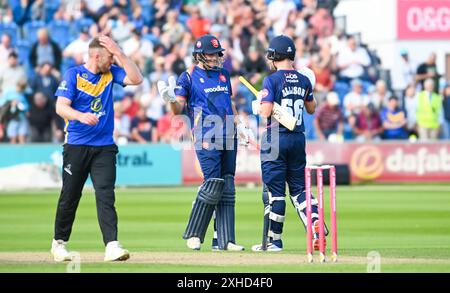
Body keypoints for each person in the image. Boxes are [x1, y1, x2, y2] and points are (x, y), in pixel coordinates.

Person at [51, 35, 143, 262]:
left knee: (105, 195)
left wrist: (119, 52)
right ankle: (59, 243)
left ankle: (112, 245)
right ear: (96, 55)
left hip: (104, 147)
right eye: (110, 56)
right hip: (77, 145)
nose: (112, 61)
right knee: (70, 195)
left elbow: (137, 78)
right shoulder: (74, 74)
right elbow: (60, 107)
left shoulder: (111, 73)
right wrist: (81, 116)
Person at [157, 34, 250, 251]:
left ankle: (226, 240)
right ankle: (194, 233)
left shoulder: (224, 74)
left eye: (219, 54)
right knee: (212, 183)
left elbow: (229, 102)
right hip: (205, 135)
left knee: (227, 185)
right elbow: (178, 109)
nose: (217, 58)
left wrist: (241, 125)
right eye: (212, 54)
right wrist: (170, 99)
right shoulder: (188, 77)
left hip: (229, 134)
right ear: (199, 55)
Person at [250, 35, 326, 252]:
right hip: (297, 138)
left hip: (276, 137)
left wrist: (258, 106)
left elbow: (265, 111)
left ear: (275, 56)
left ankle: (274, 241)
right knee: (299, 188)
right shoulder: (303, 80)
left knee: (275, 192)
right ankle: (315, 224)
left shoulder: (271, 80)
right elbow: (311, 109)